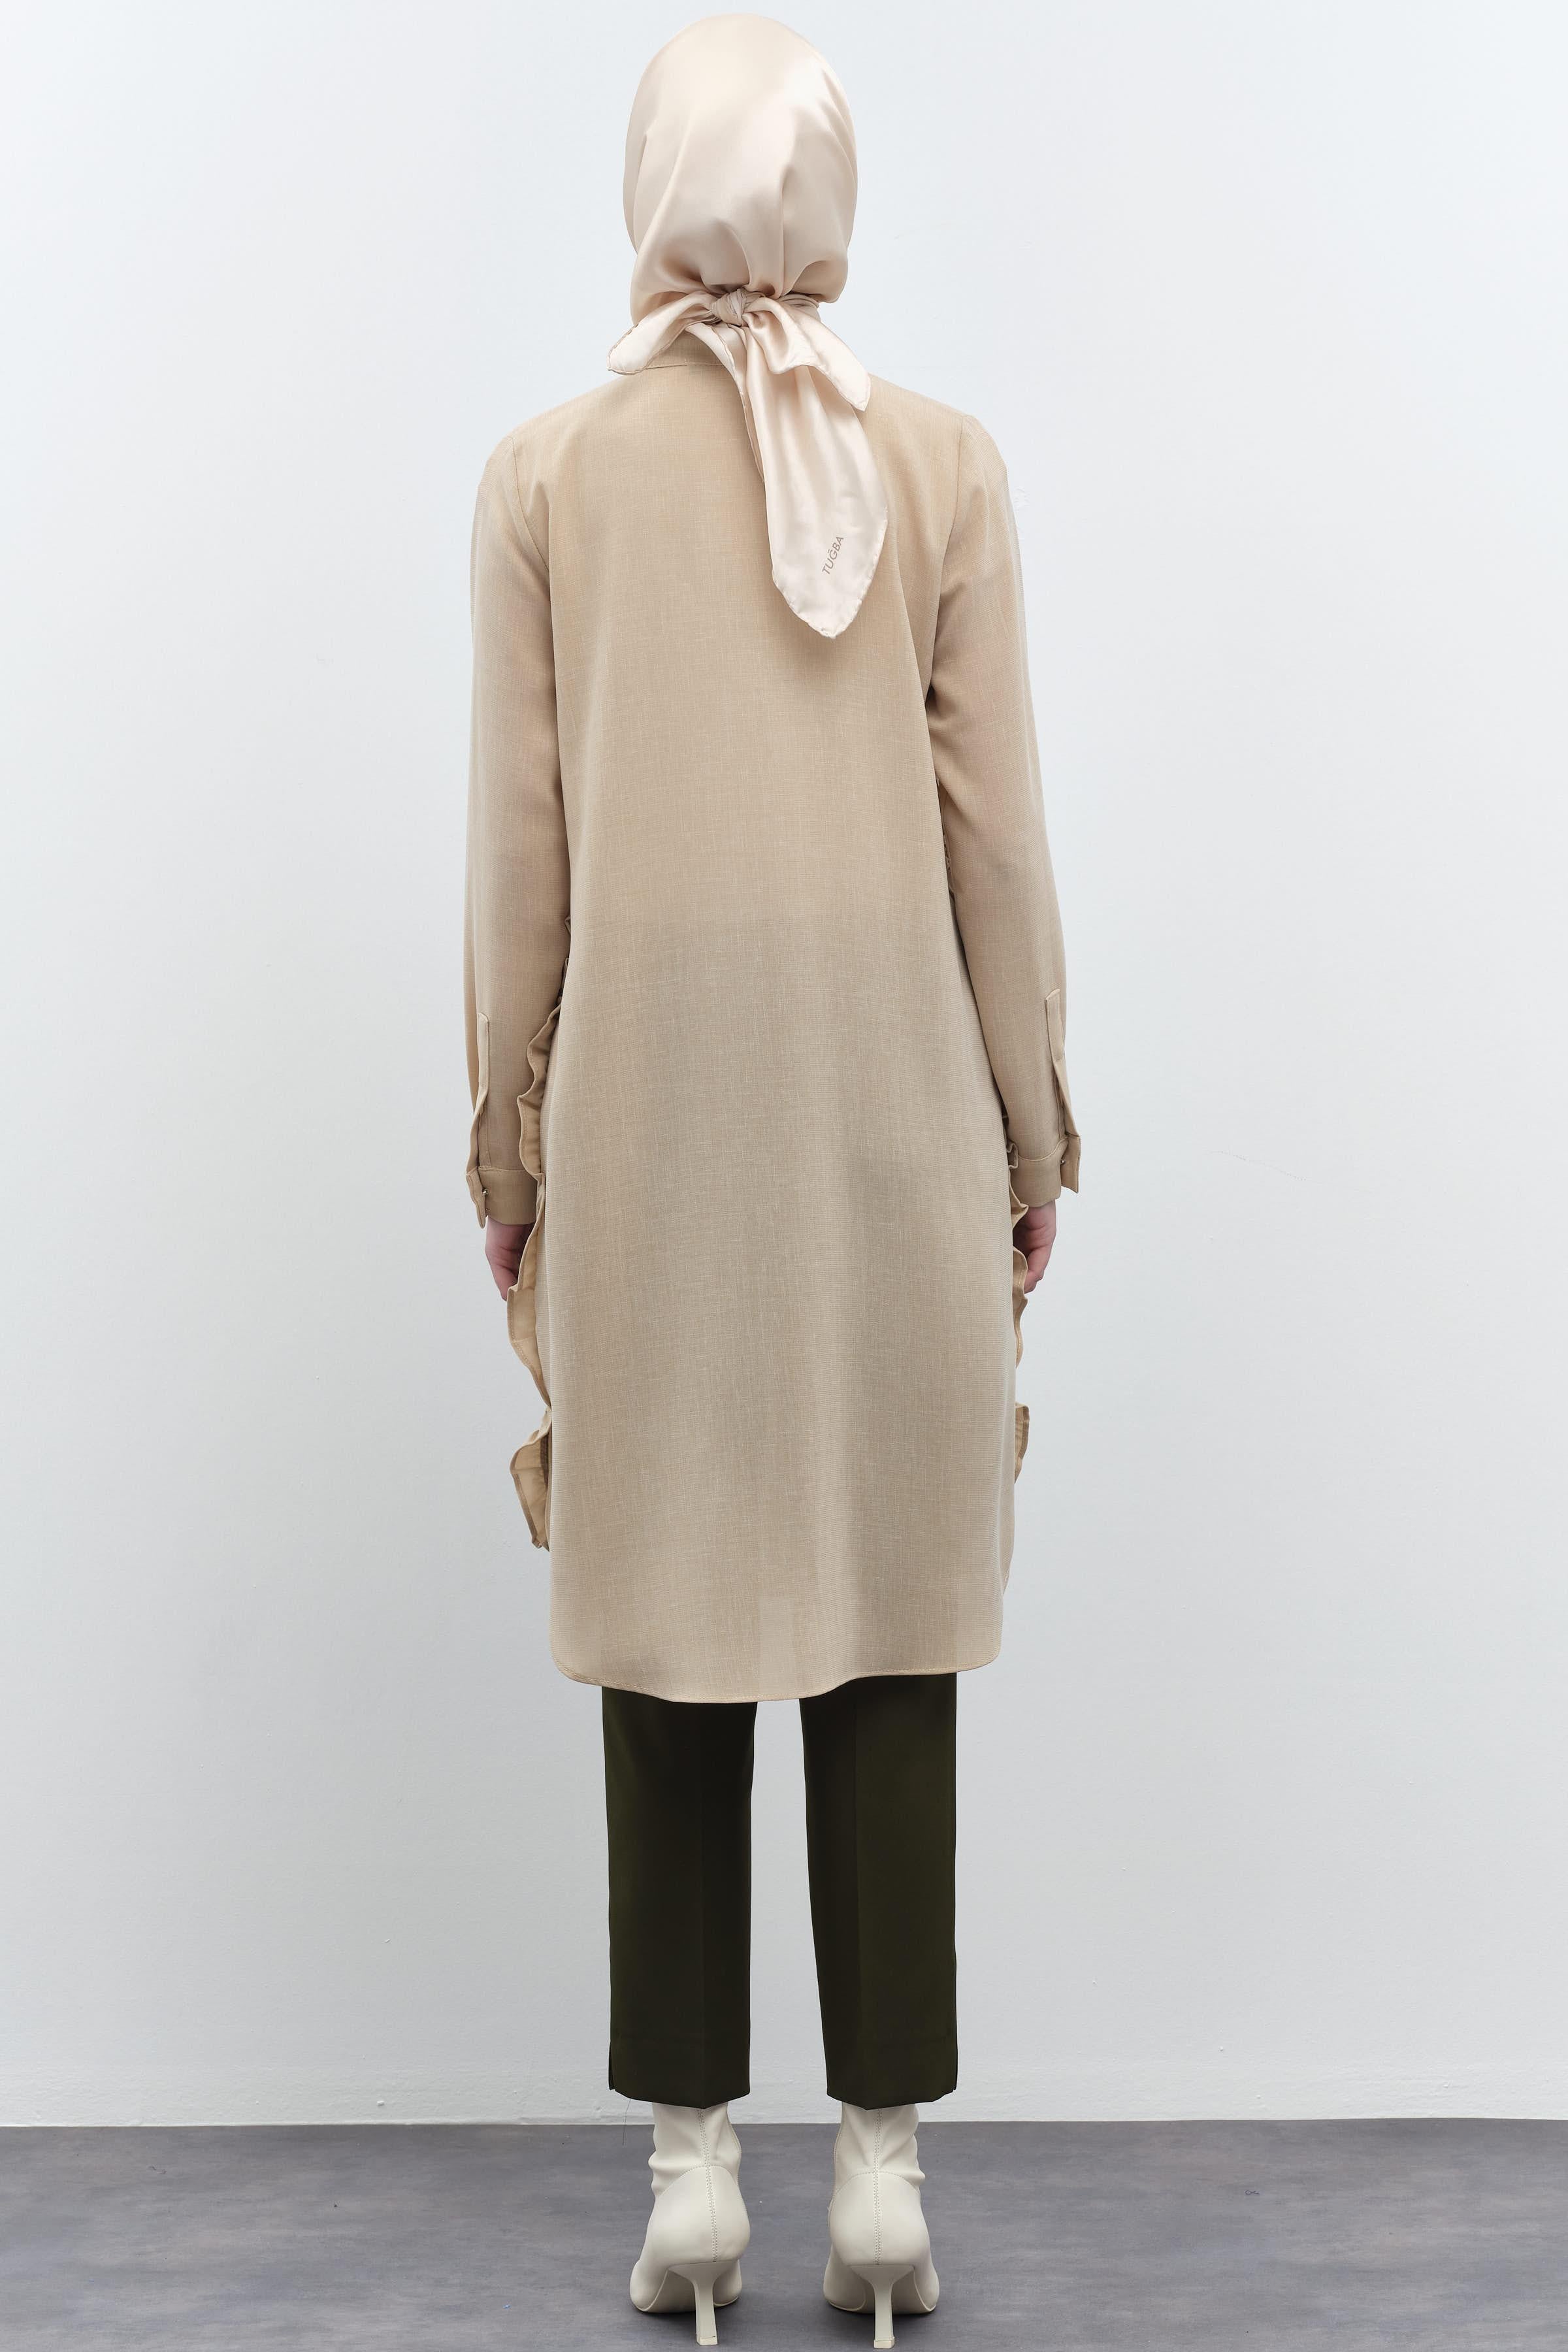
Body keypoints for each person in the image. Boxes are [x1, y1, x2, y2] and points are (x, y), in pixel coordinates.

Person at [463, 16, 1080, 2344]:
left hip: (650, 1117)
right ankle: (888, 2171)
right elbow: (997, 843)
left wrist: (509, 1140)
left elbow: (518, 861)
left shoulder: (546, 476)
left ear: (657, 180)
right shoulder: (943, 464)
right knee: (887, 1606)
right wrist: (1030, 1130)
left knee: (669, 1615)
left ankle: (693, 2166)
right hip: (895, 1113)